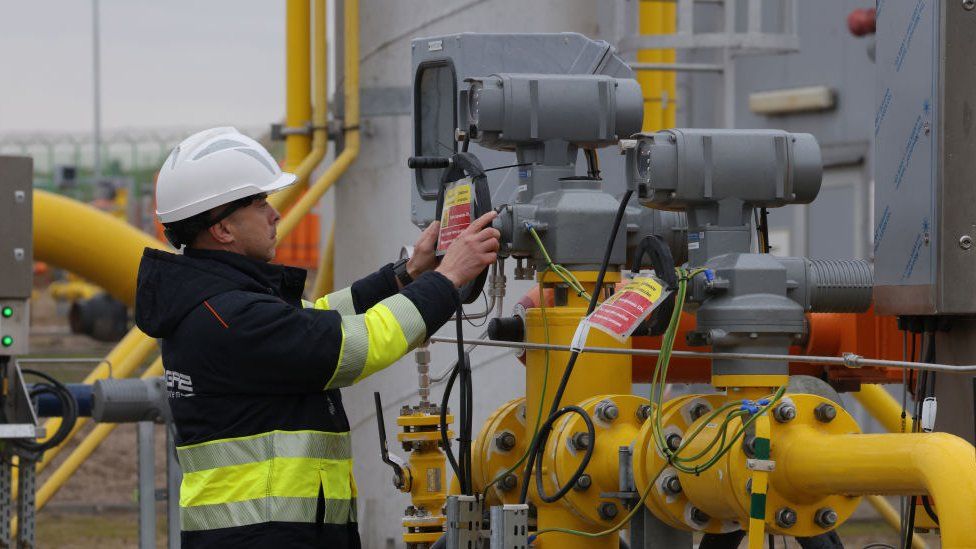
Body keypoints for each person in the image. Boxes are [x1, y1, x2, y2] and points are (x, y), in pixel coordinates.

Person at [134, 127, 499, 547]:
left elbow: (314, 321)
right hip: (266, 539)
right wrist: (449, 276)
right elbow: (353, 345)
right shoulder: (233, 317)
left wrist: (407, 274)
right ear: (223, 230)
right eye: (260, 204)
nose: (275, 215)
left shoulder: (218, 305)